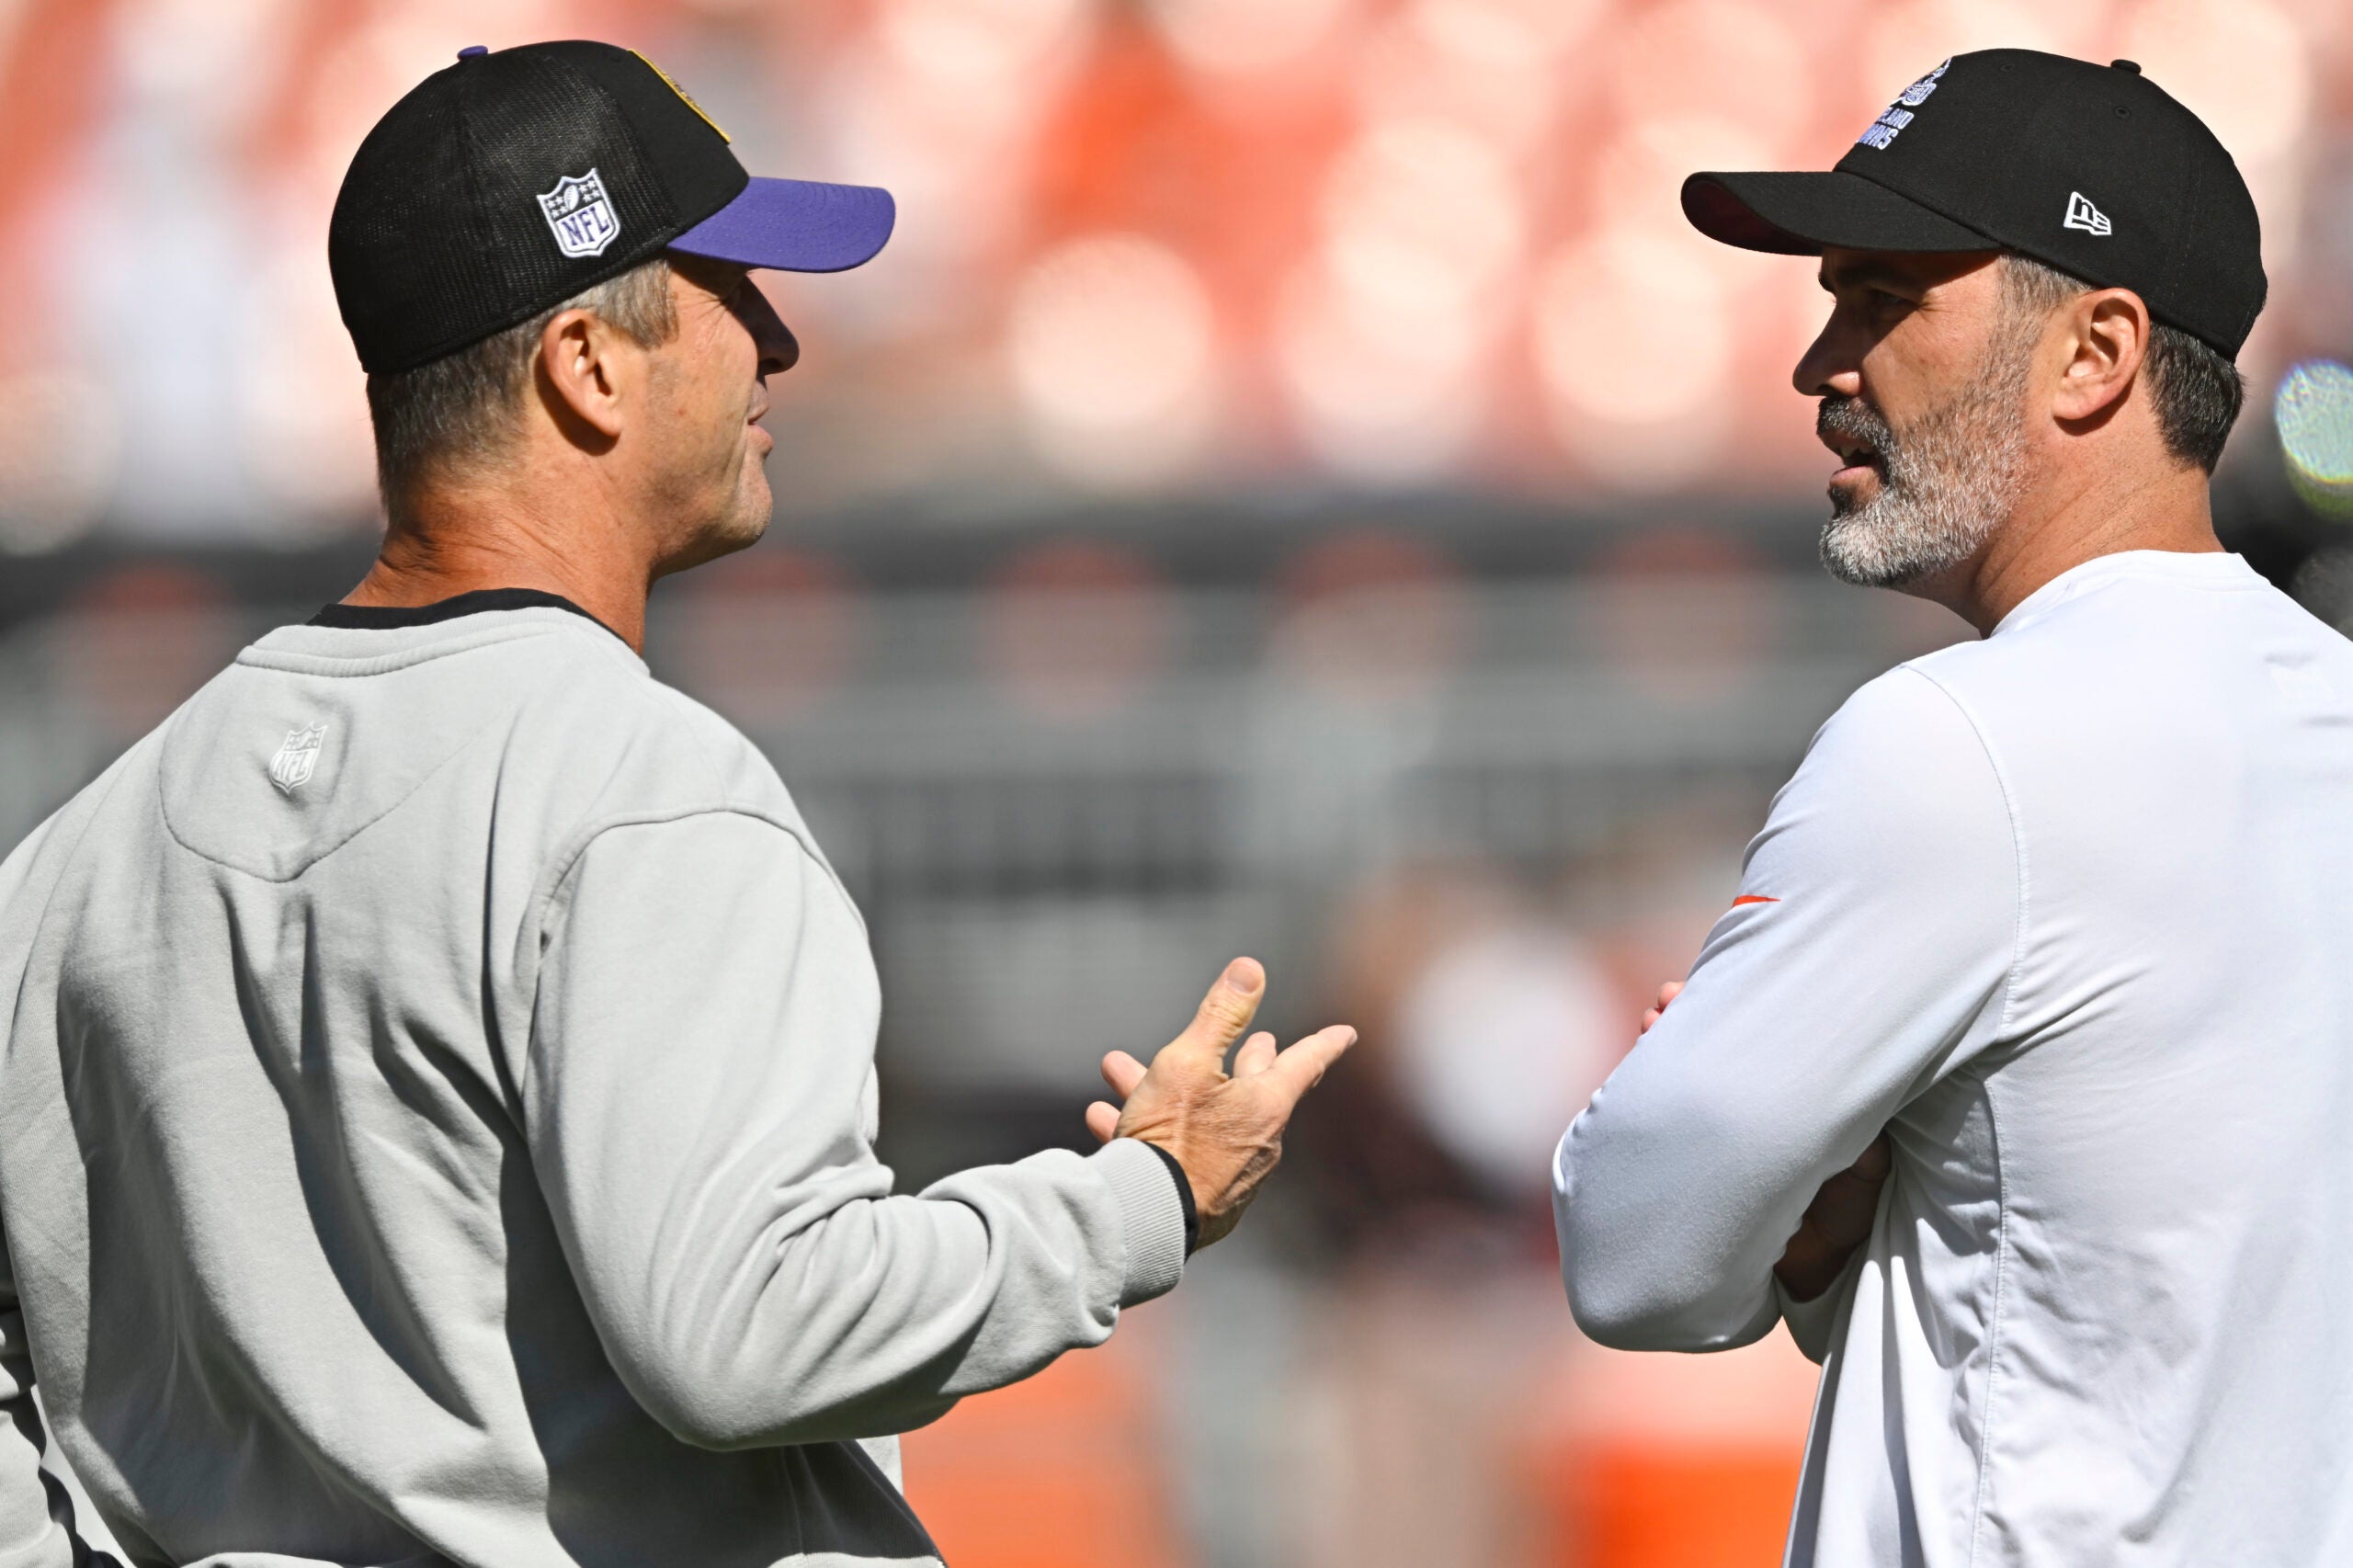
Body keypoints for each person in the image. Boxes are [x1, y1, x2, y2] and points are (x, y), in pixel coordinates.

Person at [0, 41, 1352, 1568]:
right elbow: (746, 1330)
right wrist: (1142, 1196)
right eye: (726, 289)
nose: (777, 339)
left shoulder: (71, 858)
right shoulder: (647, 799)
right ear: (586, 365)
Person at [1552, 49, 2353, 1565]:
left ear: (2094, 352)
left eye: (1882, 297)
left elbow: (1635, 1247)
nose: (1821, 365)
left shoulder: (1953, 744)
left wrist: (1819, 1178)